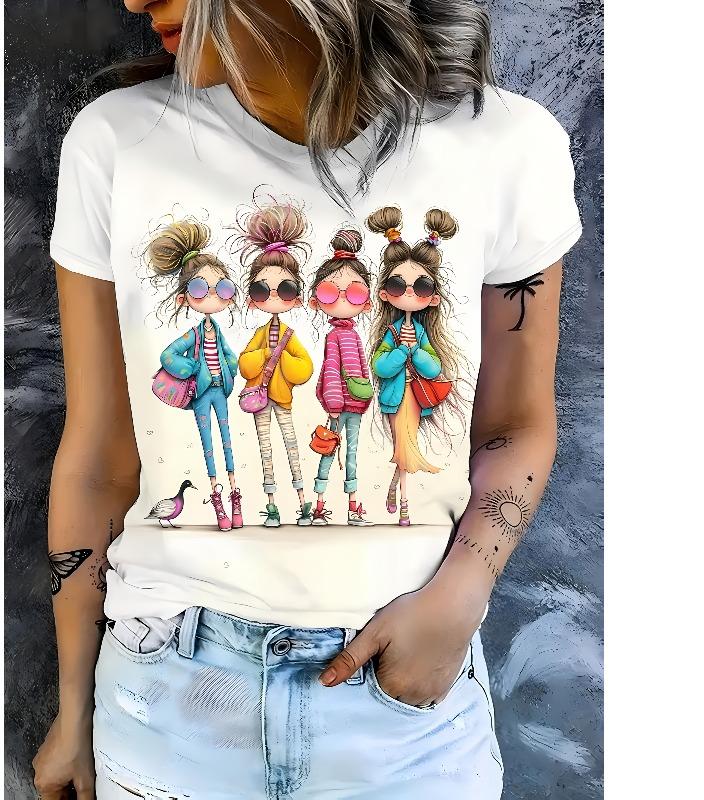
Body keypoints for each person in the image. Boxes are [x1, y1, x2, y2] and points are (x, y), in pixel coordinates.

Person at [33, 1, 583, 798]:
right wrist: (73, 707)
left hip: (407, 707)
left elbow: (515, 425)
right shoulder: (119, 141)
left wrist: (461, 595)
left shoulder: (506, 143)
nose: (133, 1)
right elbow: (96, 462)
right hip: (164, 692)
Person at [367, 206, 466, 527]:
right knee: (404, 444)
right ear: (385, 294)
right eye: (399, 286)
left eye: (421, 287)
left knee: (405, 444)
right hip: (395, 397)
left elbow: (433, 368)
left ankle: (401, 497)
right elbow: (381, 367)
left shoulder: (421, 332)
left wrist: (416, 352)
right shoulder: (392, 332)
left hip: (417, 396)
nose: (409, 293)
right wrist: (400, 351)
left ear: (432, 298)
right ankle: (402, 500)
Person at [145, 215, 243, 531]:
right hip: (201, 393)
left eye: (222, 288)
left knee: (227, 441)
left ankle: (236, 497)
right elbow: (168, 355)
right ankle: (218, 504)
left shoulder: (217, 331)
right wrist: (192, 368)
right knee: (208, 444)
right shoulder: (194, 334)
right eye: (200, 289)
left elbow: (229, 355)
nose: (213, 295)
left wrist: (230, 370)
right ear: (184, 297)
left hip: (220, 391)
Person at [234, 199, 315, 527]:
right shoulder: (259, 334)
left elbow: (305, 367)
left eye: (285, 289)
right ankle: (271, 505)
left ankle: (302, 501)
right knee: (265, 449)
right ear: (252, 297)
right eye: (261, 290)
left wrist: (283, 362)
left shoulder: (289, 335)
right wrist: (266, 356)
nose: (273, 297)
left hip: (281, 398)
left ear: (296, 296)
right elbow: (245, 365)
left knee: (291, 445)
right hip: (259, 398)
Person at [307, 227, 374, 526]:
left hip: (356, 404)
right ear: (317, 299)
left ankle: (352, 506)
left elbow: (362, 368)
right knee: (330, 450)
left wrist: (365, 396)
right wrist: (334, 403)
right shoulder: (334, 336)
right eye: (330, 292)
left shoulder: (354, 335)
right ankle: (319, 505)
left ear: (367, 301)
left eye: (355, 292)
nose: (344, 299)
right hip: (339, 405)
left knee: (351, 454)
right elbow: (331, 368)